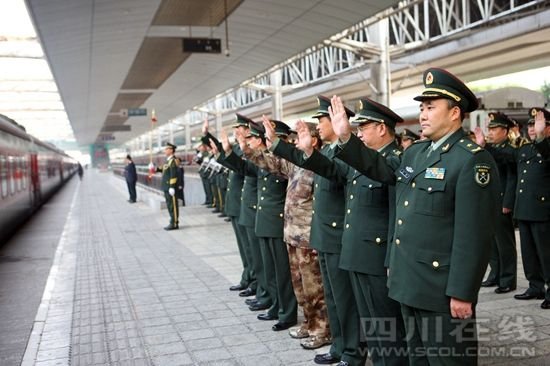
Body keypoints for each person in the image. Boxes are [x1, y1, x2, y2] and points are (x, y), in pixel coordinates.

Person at [331, 68, 500, 365]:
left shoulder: (471, 160)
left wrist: (463, 292)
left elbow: (474, 235)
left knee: (448, 359)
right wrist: (346, 138)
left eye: (431, 107)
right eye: (422, 107)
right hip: (408, 282)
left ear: (454, 113)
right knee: (417, 359)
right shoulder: (416, 153)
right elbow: (381, 171)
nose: (423, 114)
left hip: (440, 290)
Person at [291, 98, 409, 365]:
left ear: (382, 129)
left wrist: (345, 137)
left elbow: (394, 213)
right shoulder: (362, 158)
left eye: (364, 127)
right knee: (371, 323)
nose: (360, 132)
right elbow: (333, 171)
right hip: (356, 251)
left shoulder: (393, 159)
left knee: (386, 325)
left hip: (378, 256)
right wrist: (309, 152)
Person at [271, 96, 366, 366]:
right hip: (323, 234)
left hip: (336, 235)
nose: (319, 126)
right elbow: (303, 162)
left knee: (344, 300)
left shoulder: (346, 153)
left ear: (338, 122)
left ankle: (352, 351)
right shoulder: (326, 153)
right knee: (334, 299)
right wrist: (282, 145)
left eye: (322, 120)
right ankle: (338, 345)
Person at [250, 117, 331, 350]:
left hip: (308, 237)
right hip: (292, 236)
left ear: (313, 141)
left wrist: (318, 236)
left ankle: (322, 330)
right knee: (300, 288)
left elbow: (321, 205)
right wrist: (259, 144)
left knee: (315, 289)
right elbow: (272, 164)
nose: (295, 143)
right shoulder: (296, 165)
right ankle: (308, 322)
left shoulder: (319, 165)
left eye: (300, 139)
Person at [475, 112, 517, 294]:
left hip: (502, 201)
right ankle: (495, 273)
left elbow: (512, 177)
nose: (490, 132)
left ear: (505, 131)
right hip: (489, 201)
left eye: (494, 129)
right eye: (489, 128)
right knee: (491, 242)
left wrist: (507, 202)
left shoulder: (511, 148)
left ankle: (508, 279)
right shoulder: (491, 148)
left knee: (504, 243)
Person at [512, 108, 550, 309]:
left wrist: (542, 137)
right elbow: (506, 158)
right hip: (525, 208)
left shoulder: (547, 147)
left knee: (546, 253)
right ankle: (535, 286)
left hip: (543, 210)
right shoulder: (525, 149)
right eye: (530, 125)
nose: (532, 129)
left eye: (536, 124)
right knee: (528, 253)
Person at [156, 142, 180, 230]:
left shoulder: (173, 161)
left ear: (171, 150)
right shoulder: (168, 160)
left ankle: (174, 223)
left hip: (170, 187)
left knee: (172, 205)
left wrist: (172, 186)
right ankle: (172, 221)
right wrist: (155, 168)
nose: (165, 150)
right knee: (169, 205)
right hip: (166, 186)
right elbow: (163, 169)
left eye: (167, 149)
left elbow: (173, 175)